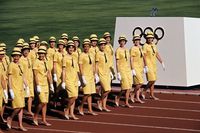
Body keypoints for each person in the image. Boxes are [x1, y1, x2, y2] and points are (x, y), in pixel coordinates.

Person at [7, 47, 29, 131]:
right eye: (15, 56)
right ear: (13, 56)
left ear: (20, 56)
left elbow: (23, 76)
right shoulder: (11, 65)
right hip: (15, 88)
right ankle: (10, 117)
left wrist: (26, 86)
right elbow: (9, 78)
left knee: (22, 107)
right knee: (18, 106)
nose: (16, 58)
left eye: (17, 56)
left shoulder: (21, 64)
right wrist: (10, 90)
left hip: (21, 88)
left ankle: (20, 125)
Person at [33, 46, 54, 126]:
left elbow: (48, 74)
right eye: (40, 53)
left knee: (45, 103)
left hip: (46, 85)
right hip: (40, 84)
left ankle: (44, 120)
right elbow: (35, 75)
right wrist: (37, 85)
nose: (41, 55)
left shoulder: (46, 62)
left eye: (43, 53)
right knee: (42, 102)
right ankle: (35, 115)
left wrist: (51, 84)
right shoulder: (36, 62)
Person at [141, 32, 165, 100]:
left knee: (154, 81)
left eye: (151, 38)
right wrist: (145, 66)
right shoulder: (145, 46)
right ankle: (144, 91)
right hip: (148, 65)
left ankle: (152, 94)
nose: (150, 39)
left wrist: (162, 62)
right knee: (152, 79)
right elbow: (144, 56)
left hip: (154, 65)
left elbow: (157, 53)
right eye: (148, 38)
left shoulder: (154, 45)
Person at [78, 39, 98, 116]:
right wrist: (82, 77)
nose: (86, 48)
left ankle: (90, 110)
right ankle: (81, 106)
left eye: (87, 46)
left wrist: (95, 75)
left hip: (91, 76)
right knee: (86, 93)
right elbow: (80, 67)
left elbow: (93, 65)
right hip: (85, 76)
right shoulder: (81, 55)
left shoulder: (91, 55)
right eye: (85, 46)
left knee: (90, 94)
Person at [62, 40, 80, 120]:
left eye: (72, 47)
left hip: (75, 79)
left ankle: (71, 113)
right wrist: (63, 81)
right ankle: (66, 109)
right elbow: (64, 70)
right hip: (68, 79)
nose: (71, 49)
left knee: (74, 97)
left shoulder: (74, 57)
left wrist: (79, 79)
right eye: (70, 47)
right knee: (73, 96)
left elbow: (76, 69)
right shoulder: (65, 58)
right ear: (67, 48)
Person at [115, 35, 133, 108]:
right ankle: (118, 97)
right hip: (122, 70)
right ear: (119, 42)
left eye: (123, 41)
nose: (122, 42)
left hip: (128, 70)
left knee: (129, 87)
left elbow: (129, 60)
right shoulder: (118, 50)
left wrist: (132, 69)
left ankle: (126, 102)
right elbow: (117, 62)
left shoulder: (127, 50)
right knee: (124, 87)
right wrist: (118, 72)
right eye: (121, 41)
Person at [96, 38, 113, 112]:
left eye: (104, 45)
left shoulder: (106, 53)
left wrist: (110, 72)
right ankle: (100, 101)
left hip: (107, 73)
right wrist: (96, 74)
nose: (103, 46)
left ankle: (104, 106)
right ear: (99, 46)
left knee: (104, 91)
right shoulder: (98, 53)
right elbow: (96, 65)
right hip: (101, 74)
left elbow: (108, 64)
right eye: (101, 45)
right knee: (108, 90)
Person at [130, 35, 146, 104]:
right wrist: (132, 69)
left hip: (140, 67)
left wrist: (145, 66)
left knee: (138, 84)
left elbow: (143, 57)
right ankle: (132, 93)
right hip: (135, 67)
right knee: (140, 82)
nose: (137, 41)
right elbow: (131, 59)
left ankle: (137, 98)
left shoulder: (141, 48)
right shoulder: (133, 48)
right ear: (134, 41)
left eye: (138, 40)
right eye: (136, 40)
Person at [20, 43, 34, 115]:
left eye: (27, 50)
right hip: (24, 80)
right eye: (24, 50)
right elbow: (21, 72)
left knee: (31, 96)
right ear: (22, 51)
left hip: (30, 79)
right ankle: (21, 110)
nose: (26, 52)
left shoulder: (29, 58)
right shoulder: (21, 60)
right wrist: (24, 82)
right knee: (23, 96)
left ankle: (29, 110)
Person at [0, 43, 9, 123]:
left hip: (4, 84)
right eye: (1, 54)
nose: (2, 55)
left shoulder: (4, 60)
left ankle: (1, 117)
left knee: (4, 103)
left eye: (3, 53)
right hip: (1, 86)